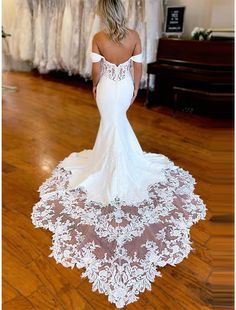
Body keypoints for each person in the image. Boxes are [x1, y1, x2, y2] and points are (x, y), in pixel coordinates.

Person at [31, 0, 207, 308]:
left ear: (103, 12)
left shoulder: (99, 36)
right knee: (117, 125)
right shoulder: (134, 34)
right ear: (121, 12)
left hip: (108, 91)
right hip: (124, 86)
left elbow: (96, 71)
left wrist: (97, 90)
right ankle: (116, 160)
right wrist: (135, 88)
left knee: (110, 126)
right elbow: (137, 67)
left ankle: (108, 164)